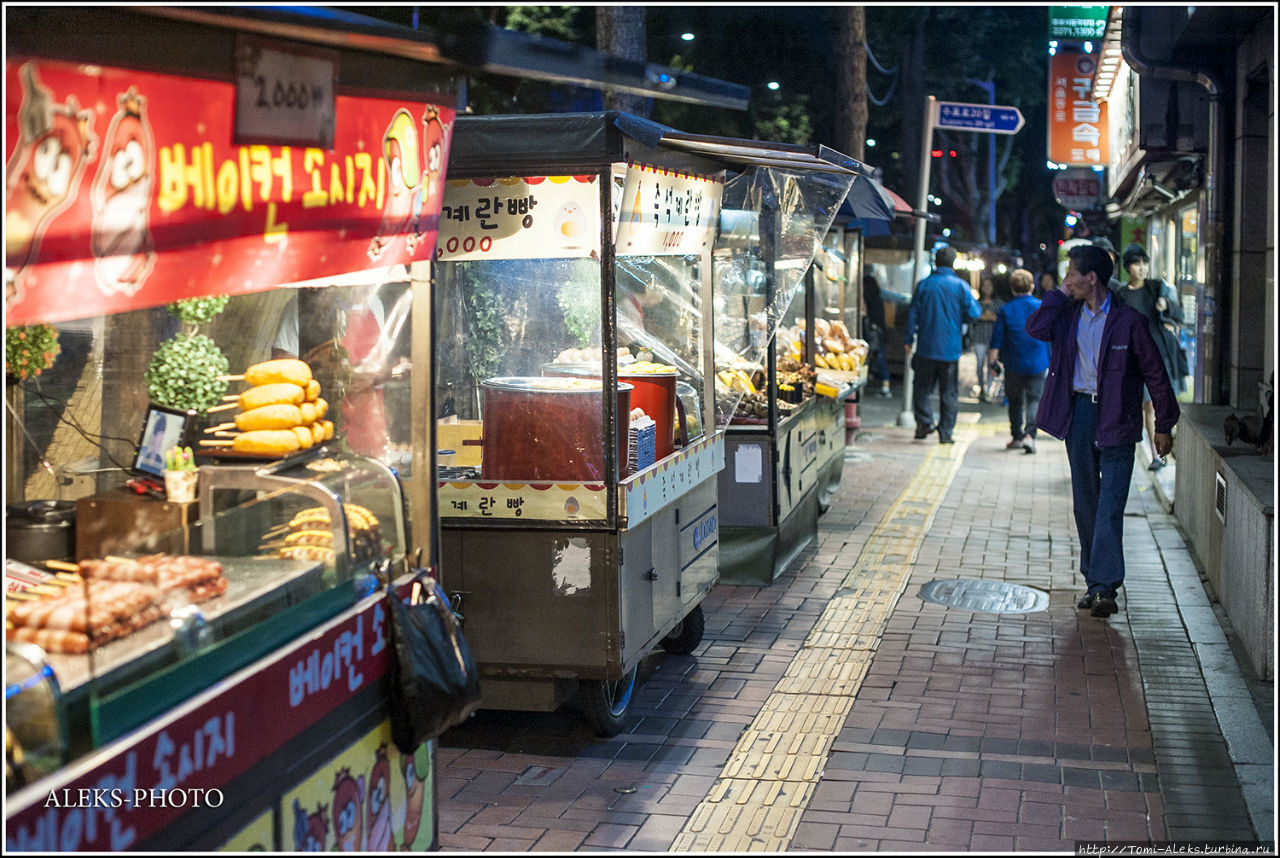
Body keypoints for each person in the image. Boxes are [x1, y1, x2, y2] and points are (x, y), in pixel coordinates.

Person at [1026, 243, 1180, 618]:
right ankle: (1096, 583)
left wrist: (1163, 425)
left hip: (1119, 418)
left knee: (1111, 504)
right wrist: (1060, 294)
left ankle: (1104, 586)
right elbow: (1036, 327)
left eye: (1070, 275)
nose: (1066, 281)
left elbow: (1156, 374)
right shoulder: (1066, 315)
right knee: (1086, 503)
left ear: (1090, 277)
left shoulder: (1129, 321)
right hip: (1078, 414)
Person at [1113, 242, 1186, 471]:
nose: (1142, 268)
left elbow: (1178, 313)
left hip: (1157, 354)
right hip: (1130, 358)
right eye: (1136, 264)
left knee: (1154, 404)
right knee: (1145, 405)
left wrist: (1165, 305)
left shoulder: (1156, 288)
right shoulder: (1121, 294)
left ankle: (1159, 453)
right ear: (1127, 267)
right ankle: (1155, 452)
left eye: (1144, 263)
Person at [904, 244, 981, 444]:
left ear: (936, 261)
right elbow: (974, 313)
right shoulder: (961, 287)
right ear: (952, 262)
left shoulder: (924, 285)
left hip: (926, 347)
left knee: (921, 388)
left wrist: (908, 339)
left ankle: (924, 423)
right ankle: (945, 433)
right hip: (950, 349)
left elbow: (912, 315)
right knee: (949, 393)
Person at [989, 268, 1049, 453]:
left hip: (1013, 361)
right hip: (1038, 361)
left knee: (1015, 400)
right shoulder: (1041, 307)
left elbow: (997, 339)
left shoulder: (1005, 309)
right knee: (1034, 399)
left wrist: (993, 363)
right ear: (1032, 287)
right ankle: (1030, 435)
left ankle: (1017, 436)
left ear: (1012, 288)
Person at [861, 265, 892, 397]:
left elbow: (868, 316)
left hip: (875, 335)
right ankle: (884, 386)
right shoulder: (878, 299)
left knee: (879, 359)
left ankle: (885, 388)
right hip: (880, 333)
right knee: (879, 359)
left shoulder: (870, 301)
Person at [970, 275, 1001, 402]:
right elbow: (975, 317)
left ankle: (988, 389)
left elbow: (997, 318)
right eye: (985, 285)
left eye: (989, 285)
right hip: (979, 337)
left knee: (991, 364)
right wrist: (987, 317)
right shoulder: (976, 302)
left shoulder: (998, 303)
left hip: (993, 337)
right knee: (979, 364)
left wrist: (986, 317)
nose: (987, 288)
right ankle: (981, 388)